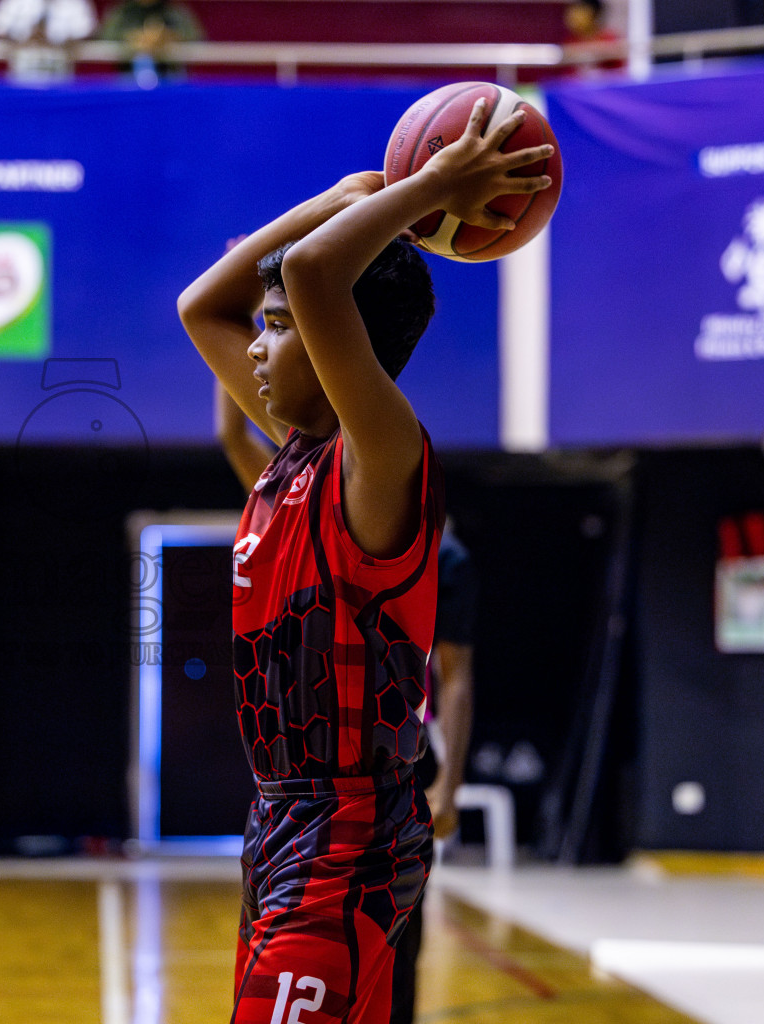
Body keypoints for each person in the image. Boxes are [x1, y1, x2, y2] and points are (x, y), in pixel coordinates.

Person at [176, 100, 551, 1023]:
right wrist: (342, 193)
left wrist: (428, 188)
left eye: (278, 328)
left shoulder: (382, 455)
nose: (254, 347)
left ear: (344, 341)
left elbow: (309, 272)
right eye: (260, 328)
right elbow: (200, 305)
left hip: (350, 838)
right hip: (280, 827)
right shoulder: (288, 463)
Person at [389, 521, 477, 1024]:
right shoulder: (322, 514)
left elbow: (456, 676)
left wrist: (449, 785)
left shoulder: (447, 557)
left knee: (401, 931)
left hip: (402, 757)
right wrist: (230, 435)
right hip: (325, 762)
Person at [99, 0, 203, 84]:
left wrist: (169, 38)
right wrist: (133, 39)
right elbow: (105, 38)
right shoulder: (121, 13)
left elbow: (195, 36)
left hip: (170, 76)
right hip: (129, 77)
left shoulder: (175, 11)